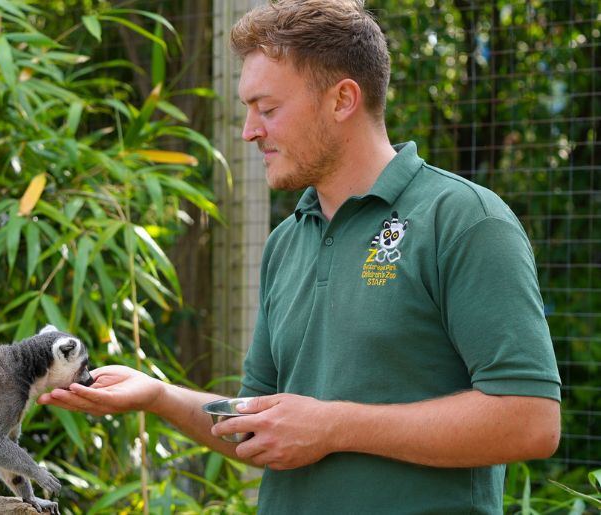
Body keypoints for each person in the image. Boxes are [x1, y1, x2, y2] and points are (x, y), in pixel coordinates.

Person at [39, 0, 562, 513]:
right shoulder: (287, 240)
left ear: (342, 100)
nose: (249, 131)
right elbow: (256, 428)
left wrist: (333, 426)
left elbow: (531, 420)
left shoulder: (466, 220)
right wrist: (158, 395)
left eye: (268, 109)